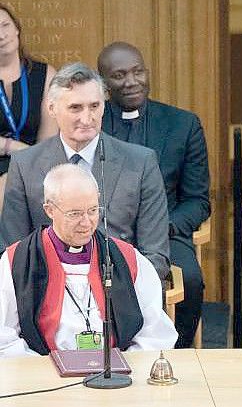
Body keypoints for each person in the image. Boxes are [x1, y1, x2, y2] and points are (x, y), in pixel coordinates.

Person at [0, 63, 170, 282]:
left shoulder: (141, 163)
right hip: (48, 295)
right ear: (52, 109)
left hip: (121, 292)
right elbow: (14, 250)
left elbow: (155, 255)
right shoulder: (25, 165)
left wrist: (120, 292)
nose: (87, 118)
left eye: (94, 106)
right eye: (75, 108)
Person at [98, 42, 210, 349]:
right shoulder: (94, 125)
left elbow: (198, 201)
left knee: (189, 278)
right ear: (105, 85)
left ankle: (179, 352)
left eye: (137, 71)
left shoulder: (182, 124)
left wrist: (162, 227)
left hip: (167, 231)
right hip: (104, 231)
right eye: (119, 75)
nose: (131, 81)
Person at [0, 164, 176, 357]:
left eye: (93, 210)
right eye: (75, 214)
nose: (86, 222)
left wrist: (125, 366)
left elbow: (155, 333)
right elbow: (4, 337)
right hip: (46, 376)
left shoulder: (128, 258)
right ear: (49, 210)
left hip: (118, 375)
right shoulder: (17, 261)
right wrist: (46, 371)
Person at [0, 4, 59, 210]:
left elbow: (48, 141)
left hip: (35, 162)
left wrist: (26, 157)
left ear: (16, 28)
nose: (1, 35)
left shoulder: (45, 75)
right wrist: (12, 147)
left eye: (5, 25)